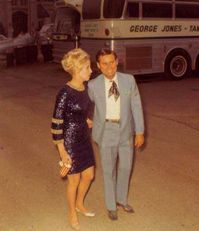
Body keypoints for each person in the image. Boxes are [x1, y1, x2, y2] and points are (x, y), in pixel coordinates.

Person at [88, 48, 145, 220]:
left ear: (117, 61)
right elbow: (85, 105)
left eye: (111, 62)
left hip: (126, 130)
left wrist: (140, 131)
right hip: (106, 132)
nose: (109, 67)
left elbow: (136, 106)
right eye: (104, 63)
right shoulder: (93, 85)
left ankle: (121, 199)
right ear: (98, 65)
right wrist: (87, 118)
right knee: (108, 170)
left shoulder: (129, 80)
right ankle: (111, 205)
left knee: (126, 167)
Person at [51, 48, 95, 230]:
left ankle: (79, 203)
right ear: (77, 70)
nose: (91, 70)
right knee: (74, 180)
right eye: (87, 67)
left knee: (89, 175)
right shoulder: (64, 93)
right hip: (69, 141)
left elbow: (81, 111)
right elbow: (56, 123)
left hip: (84, 138)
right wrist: (62, 151)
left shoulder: (85, 88)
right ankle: (72, 212)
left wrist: (86, 119)